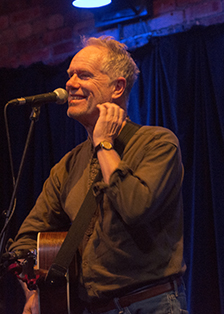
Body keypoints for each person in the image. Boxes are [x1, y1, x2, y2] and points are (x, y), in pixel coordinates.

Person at [5, 36, 188, 314]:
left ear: (117, 87)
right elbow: (25, 243)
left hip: (151, 304)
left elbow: (134, 207)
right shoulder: (66, 167)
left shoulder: (157, 144)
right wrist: (34, 292)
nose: (70, 83)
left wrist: (103, 143)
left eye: (84, 75)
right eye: (70, 75)